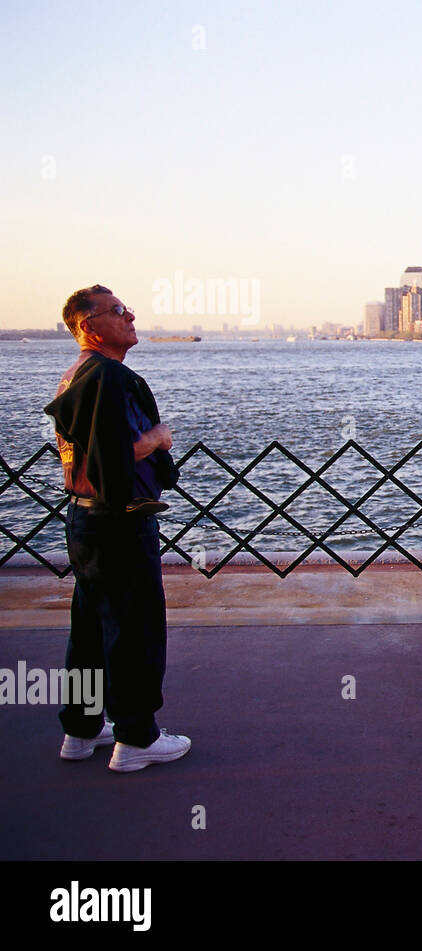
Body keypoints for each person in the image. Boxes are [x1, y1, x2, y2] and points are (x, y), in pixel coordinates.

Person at [44, 285, 192, 772]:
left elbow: (88, 453)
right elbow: (111, 455)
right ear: (89, 327)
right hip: (119, 521)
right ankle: (136, 739)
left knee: (89, 628)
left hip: (84, 518)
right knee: (135, 629)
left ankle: (81, 730)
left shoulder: (76, 376)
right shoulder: (107, 375)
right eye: (116, 311)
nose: (131, 316)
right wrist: (156, 438)